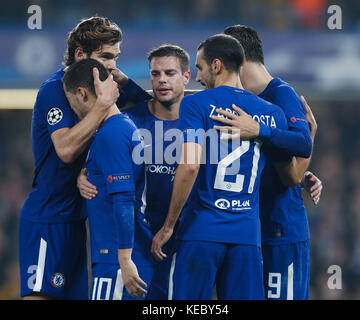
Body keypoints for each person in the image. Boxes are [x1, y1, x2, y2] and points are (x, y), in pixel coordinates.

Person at [151, 34, 299, 300]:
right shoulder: (272, 114)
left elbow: (189, 166)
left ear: (216, 66)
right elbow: (290, 168)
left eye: (199, 67)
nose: (196, 76)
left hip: (201, 232)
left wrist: (169, 226)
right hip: (246, 237)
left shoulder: (195, 104)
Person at [18, 16, 148, 300]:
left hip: (80, 221)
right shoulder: (55, 89)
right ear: (80, 55)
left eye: (116, 57)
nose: (112, 64)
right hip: (49, 218)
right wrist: (102, 106)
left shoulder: (106, 83)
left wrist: (125, 81)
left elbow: (152, 110)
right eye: (105, 56)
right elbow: (65, 149)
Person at [209, 24, 323, 299]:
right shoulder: (248, 99)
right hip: (253, 231)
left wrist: (261, 131)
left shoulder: (282, 95)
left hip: (281, 230)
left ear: (237, 59)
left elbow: (296, 160)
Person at [77, 44, 191, 299]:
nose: (161, 79)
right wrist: (81, 175)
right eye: (155, 74)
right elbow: (104, 161)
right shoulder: (131, 120)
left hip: (184, 241)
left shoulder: (197, 120)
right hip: (140, 241)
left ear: (186, 77)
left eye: (170, 73)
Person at [62, 58, 156, 300]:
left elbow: (123, 199)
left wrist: (124, 260)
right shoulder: (123, 128)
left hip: (116, 261)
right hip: (125, 257)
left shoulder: (111, 135)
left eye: (71, 102)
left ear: (81, 94)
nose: (73, 109)